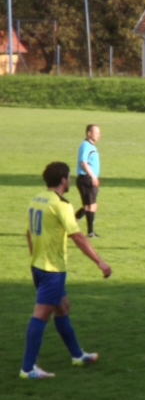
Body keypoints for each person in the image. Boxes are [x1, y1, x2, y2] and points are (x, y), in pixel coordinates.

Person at [21, 162, 111, 379]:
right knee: (40, 315)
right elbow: (77, 236)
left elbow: (28, 233)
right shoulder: (61, 205)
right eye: (68, 177)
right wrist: (99, 262)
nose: (69, 180)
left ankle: (77, 356)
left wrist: (35, 257)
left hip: (38, 266)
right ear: (63, 179)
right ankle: (27, 368)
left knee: (62, 307)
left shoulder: (37, 199)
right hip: (52, 270)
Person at [75, 124, 101, 237]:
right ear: (89, 133)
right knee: (89, 206)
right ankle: (89, 232)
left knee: (91, 206)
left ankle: (71, 223)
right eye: (96, 133)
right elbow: (83, 162)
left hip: (89, 178)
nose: (99, 135)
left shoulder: (90, 146)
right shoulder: (86, 146)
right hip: (85, 178)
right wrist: (93, 176)